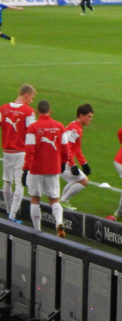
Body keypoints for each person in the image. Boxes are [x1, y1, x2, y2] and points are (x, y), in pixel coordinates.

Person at [22, 100, 69, 237]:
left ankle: (37, 230)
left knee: (35, 199)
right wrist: (62, 164)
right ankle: (59, 223)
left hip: (36, 169)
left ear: (37, 112)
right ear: (50, 111)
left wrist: (26, 170)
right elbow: (65, 149)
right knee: (54, 199)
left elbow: (29, 150)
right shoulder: (60, 127)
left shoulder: (33, 127)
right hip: (53, 168)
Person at [1, 84, 36, 223]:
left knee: (7, 181)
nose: (31, 101)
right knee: (19, 184)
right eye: (31, 98)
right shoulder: (28, 111)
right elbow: (33, 131)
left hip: (6, 151)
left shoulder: (3, 108)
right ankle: (12, 216)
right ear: (26, 95)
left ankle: (8, 210)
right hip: (21, 153)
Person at [59, 103, 94, 210]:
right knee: (83, 181)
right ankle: (63, 201)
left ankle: (63, 201)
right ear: (81, 115)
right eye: (89, 116)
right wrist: (73, 164)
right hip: (63, 161)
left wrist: (84, 163)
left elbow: (77, 148)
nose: (90, 119)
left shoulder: (77, 127)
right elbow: (67, 147)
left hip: (65, 160)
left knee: (75, 180)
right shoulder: (74, 128)